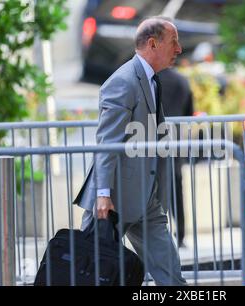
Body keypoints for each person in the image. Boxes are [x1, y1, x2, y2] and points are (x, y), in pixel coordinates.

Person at [73, 16, 186, 286]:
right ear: (153, 44)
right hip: (113, 201)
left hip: (145, 199)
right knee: (88, 274)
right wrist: (102, 195)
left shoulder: (151, 79)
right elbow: (107, 143)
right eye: (174, 42)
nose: (179, 49)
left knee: (171, 277)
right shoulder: (122, 81)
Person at [158, 68, 194, 248]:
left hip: (152, 142)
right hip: (176, 142)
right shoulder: (182, 81)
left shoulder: (151, 80)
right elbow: (189, 113)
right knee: (176, 191)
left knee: (153, 191)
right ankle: (180, 236)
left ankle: (157, 236)